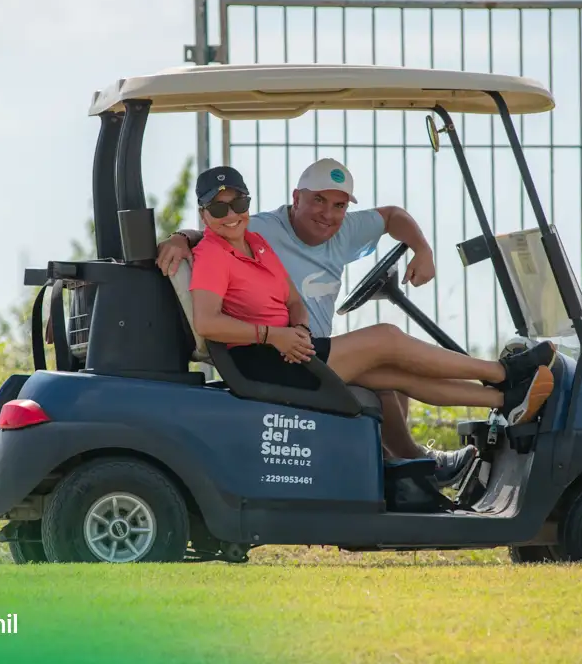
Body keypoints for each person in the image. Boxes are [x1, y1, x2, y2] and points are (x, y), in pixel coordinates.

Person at [159, 159, 488, 484]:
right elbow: (209, 237)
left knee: (396, 374)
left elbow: (392, 216)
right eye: (318, 200)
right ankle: (423, 457)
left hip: (303, 346)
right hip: (281, 355)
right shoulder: (257, 230)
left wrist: (423, 249)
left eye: (338, 205)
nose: (328, 214)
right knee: (388, 343)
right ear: (296, 197)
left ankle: (488, 404)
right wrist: (179, 238)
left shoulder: (281, 239)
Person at [179, 170, 558, 441]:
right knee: (387, 338)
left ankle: (504, 399)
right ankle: (502, 371)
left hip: (292, 349)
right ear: (203, 214)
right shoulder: (214, 254)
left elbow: (294, 299)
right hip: (263, 362)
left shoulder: (256, 242)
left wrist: (298, 328)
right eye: (218, 209)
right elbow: (207, 323)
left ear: (248, 202)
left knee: (397, 374)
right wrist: (274, 336)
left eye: (239, 203)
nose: (231, 215)